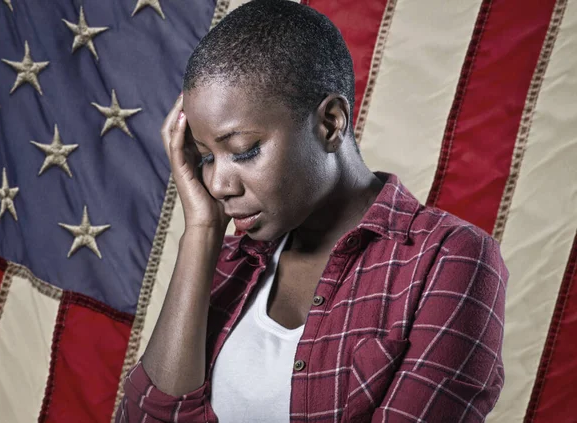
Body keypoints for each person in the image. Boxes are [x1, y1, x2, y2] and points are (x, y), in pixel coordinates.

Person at [116, 1, 508, 422]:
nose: (217, 185)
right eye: (207, 157)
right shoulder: (227, 265)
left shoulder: (447, 260)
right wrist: (202, 231)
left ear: (331, 122)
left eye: (243, 151)